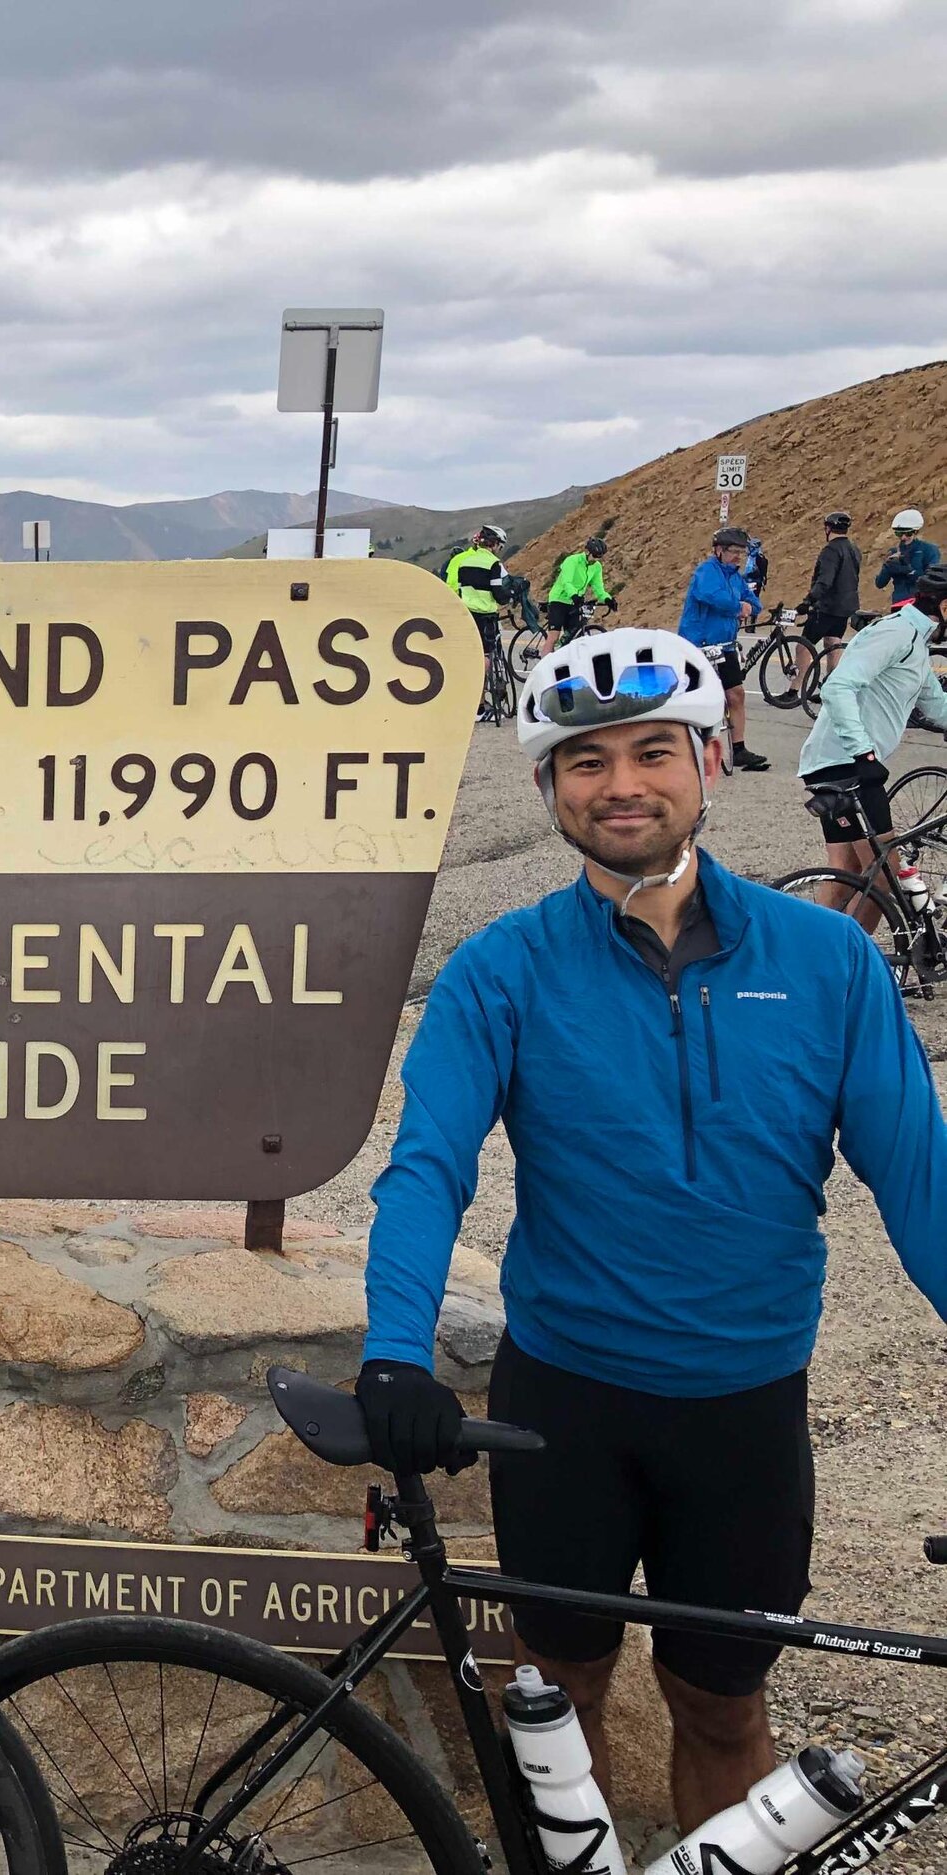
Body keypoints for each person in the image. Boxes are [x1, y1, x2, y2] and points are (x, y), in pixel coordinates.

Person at [361, 626, 947, 1836]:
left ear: (711, 761)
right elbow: (425, 1170)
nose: (620, 783)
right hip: (563, 1404)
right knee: (557, 1692)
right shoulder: (500, 969)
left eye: (650, 752)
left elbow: (920, 1184)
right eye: (585, 761)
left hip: (743, 1409)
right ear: (547, 788)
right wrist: (392, 1350)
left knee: (723, 1709)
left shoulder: (829, 959)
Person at [798, 565, 947, 931]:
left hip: (834, 763)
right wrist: (863, 753)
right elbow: (837, 687)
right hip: (846, 765)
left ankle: (806, 964)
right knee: (885, 880)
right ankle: (854, 972)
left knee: (847, 874)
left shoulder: (914, 641)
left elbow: (936, 704)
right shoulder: (897, 633)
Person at [678, 525, 768, 769]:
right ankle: (693, 746)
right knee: (697, 696)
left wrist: (748, 607)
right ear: (718, 550)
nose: (737, 556)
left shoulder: (735, 577)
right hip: (700, 644)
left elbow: (755, 603)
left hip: (725, 645)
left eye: (741, 552)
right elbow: (712, 596)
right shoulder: (705, 572)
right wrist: (738, 607)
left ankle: (739, 748)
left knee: (735, 694)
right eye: (733, 551)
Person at [446, 522, 511, 719]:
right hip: (486, 614)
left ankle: (464, 699)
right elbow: (499, 594)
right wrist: (509, 596)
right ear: (494, 544)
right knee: (484, 659)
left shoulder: (465, 561)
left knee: (469, 656)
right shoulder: (494, 564)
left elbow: (458, 587)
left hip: (466, 613)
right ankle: (480, 707)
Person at [794, 510, 863, 691]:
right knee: (833, 644)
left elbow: (825, 580)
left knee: (804, 645)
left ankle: (795, 688)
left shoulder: (831, 550)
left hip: (826, 606)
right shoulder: (854, 549)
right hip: (846, 606)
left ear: (828, 528)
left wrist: (808, 600)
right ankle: (830, 688)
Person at [541, 535, 615, 652]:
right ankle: (543, 666)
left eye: (599, 557)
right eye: (595, 556)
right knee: (554, 636)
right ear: (587, 552)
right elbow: (567, 582)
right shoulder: (572, 561)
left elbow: (599, 588)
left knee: (573, 638)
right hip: (559, 599)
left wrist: (608, 599)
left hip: (575, 601)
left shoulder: (596, 567)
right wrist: (574, 595)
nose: (596, 559)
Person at [875, 510, 941, 607]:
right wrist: (887, 565)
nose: (903, 537)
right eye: (899, 534)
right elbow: (880, 583)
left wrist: (907, 570)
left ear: (916, 531)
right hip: (899, 604)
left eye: (908, 533)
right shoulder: (893, 552)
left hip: (921, 603)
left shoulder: (929, 550)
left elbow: (931, 579)